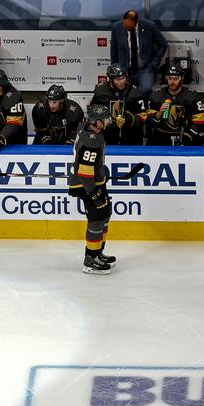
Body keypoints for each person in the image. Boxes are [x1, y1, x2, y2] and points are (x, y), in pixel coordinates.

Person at [68, 105, 115, 275]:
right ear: (96, 121)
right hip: (86, 185)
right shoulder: (92, 140)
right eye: (105, 119)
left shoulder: (86, 127)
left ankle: (97, 253)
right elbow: (84, 172)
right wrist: (94, 193)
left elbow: (90, 166)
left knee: (105, 215)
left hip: (93, 181)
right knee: (97, 219)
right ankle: (90, 260)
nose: (108, 122)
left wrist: (99, 174)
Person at [110, 10, 167, 100]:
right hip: (125, 70)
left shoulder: (149, 26)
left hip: (145, 68)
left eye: (128, 26)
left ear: (136, 22)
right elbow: (114, 50)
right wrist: (114, 70)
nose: (125, 27)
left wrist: (154, 64)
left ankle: (145, 111)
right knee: (123, 93)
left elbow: (163, 44)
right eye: (124, 25)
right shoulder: (116, 27)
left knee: (146, 89)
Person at [144, 66, 204, 146]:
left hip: (185, 134)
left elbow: (200, 120)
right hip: (162, 135)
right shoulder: (156, 96)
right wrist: (158, 114)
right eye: (170, 78)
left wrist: (189, 135)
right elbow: (148, 121)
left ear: (181, 79)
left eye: (175, 78)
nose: (172, 82)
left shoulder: (193, 96)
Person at [90, 64, 145, 145]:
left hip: (131, 138)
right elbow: (93, 111)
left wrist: (128, 120)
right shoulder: (100, 91)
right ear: (111, 80)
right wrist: (98, 121)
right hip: (107, 137)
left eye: (123, 78)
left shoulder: (135, 93)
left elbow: (143, 116)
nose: (122, 81)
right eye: (118, 79)